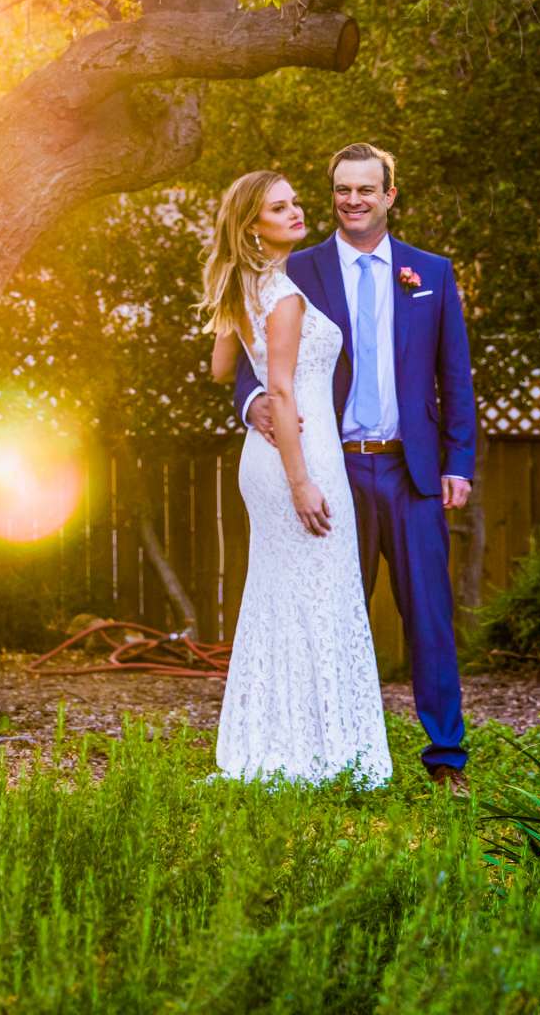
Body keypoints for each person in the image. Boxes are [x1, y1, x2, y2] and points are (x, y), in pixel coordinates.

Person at [231, 143, 476, 793]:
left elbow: (455, 373)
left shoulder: (432, 273)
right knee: (335, 610)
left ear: (390, 196)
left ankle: (445, 756)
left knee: (429, 615)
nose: (353, 200)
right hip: (332, 467)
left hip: (412, 471)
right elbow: (249, 355)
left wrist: (460, 460)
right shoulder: (298, 266)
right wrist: (253, 403)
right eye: (342, 189)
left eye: (367, 189)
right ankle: (330, 748)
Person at [202, 169, 393, 787]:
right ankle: (320, 750)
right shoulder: (282, 297)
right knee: (316, 596)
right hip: (297, 460)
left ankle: (285, 739)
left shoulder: (247, 289)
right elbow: (282, 389)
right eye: (277, 208)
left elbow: (220, 366)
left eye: (293, 202)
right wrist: (301, 482)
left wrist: (250, 393)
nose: (295, 212)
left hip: (268, 455)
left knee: (284, 598)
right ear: (252, 227)